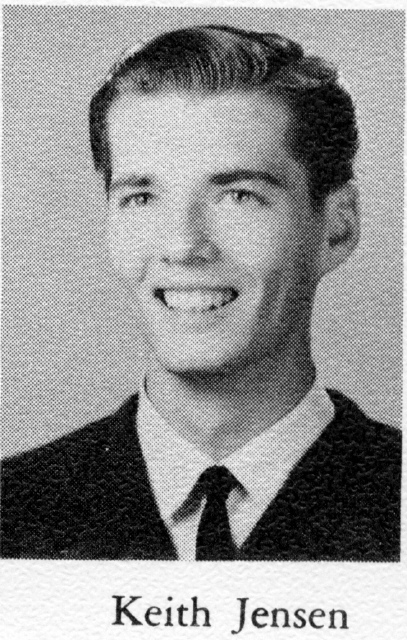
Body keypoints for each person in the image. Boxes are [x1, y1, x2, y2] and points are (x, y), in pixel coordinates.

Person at [1, 25, 401, 561]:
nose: (184, 246)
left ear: (336, 227)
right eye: (142, 197)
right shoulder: (13, 510)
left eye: (238, 195)